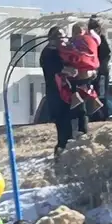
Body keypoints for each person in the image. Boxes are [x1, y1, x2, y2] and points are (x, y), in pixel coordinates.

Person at [40, 27, 87, 157]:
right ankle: (61, 156)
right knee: (64, 129)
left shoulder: (66, 51)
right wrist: (70, 70)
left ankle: (77, 150)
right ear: (51, 39)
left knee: (80, 118)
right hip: (57, 95)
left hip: (70, 93)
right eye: (57, 35)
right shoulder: (49, 52)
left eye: (62, 35)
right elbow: (56, 68)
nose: (61, 38)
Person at [56, 23, 103, 115]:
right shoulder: (92, 40)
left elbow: (69, 52)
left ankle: (74, 97)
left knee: (65, 79)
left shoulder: (76, 41)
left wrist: (62, 47)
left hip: (81, 68)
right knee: (86, 85)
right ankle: (94, 99)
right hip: (92, 69)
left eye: (74, 31)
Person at [88, 16, 112, 118]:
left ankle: (102, 115)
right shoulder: (89, 39)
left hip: (101, 72)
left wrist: (100, 67)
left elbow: (107, 55)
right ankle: (94, 115)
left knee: (101, 94)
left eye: (95, 27)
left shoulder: (101, 39)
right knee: (92, 94)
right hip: (92, 72)